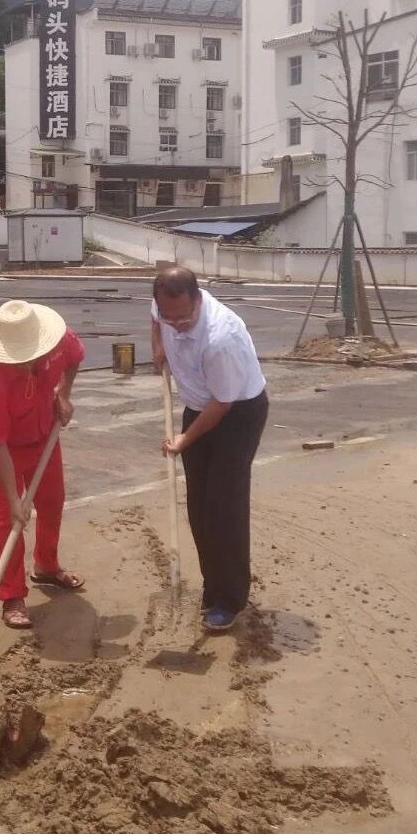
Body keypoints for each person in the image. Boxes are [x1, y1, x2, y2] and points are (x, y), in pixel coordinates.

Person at [151, 267, 268, 632]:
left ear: (198, 300)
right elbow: (155, 317)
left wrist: (185, 440)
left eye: (184, 317)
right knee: (199, 506)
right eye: (171, 318)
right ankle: (212, 586)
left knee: (224, 508)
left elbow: (222, 403)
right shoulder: (165, 311)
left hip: (236, 413)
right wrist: (159, 346)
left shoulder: (221, 338)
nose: (177, 324)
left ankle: (230, 598)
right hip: (200, 406)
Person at [0, 300, 85, 629]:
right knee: (10, 518)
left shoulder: (58, 340)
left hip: (44, 435)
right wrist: (13, 497)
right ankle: (11, 595)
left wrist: (63, 393)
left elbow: (75, 358)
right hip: (6, 448)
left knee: (52, 503)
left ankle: (46, 566)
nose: (24, 365)